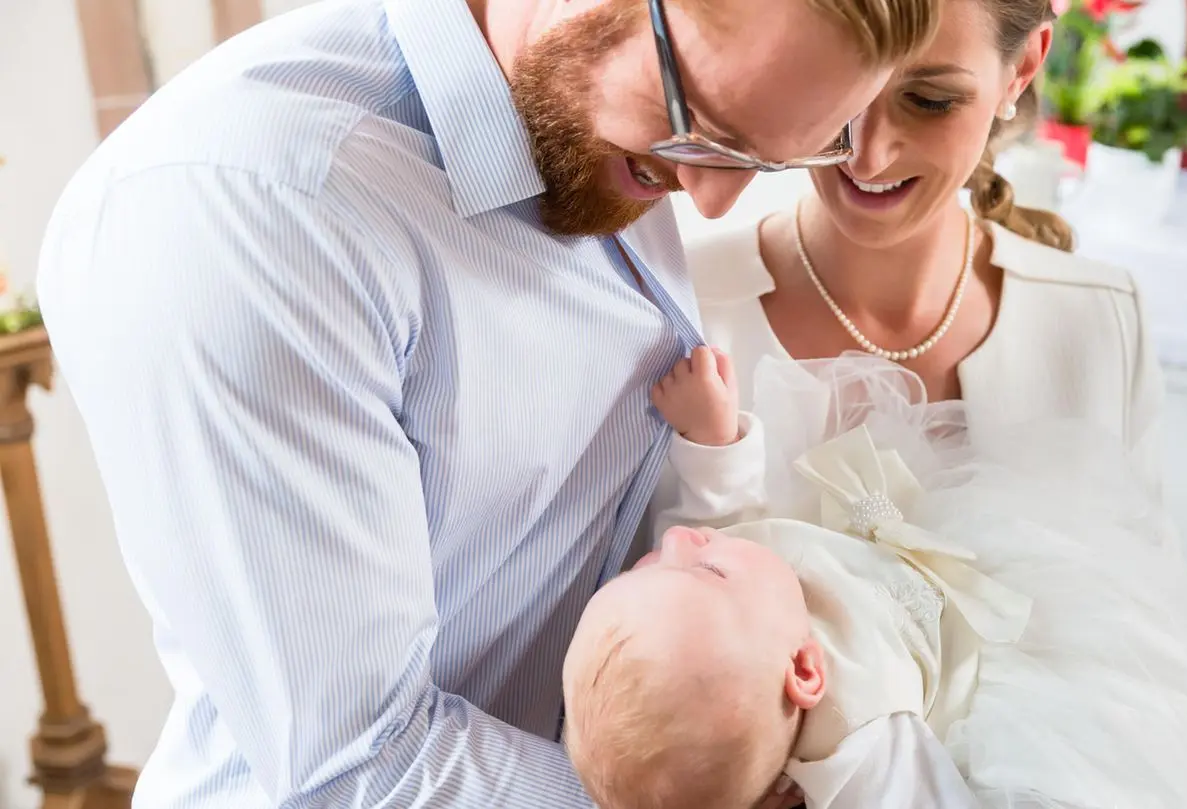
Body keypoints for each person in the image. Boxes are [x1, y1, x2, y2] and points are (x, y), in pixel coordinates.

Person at [34, 0, 945, 806]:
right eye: (697, 122)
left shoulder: (590, 121)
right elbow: (359, 772)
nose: (708, 199)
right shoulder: (257, 212)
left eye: (762, 157)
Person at [564, 348, 1187, 809]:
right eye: (703, 565)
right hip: (986, 660)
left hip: (934, 548)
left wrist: (714, 434)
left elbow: (718, 510)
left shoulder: (721, 611)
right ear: (805, 669)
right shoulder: (861, 739)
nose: (683, 540)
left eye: (649, 563)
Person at [658, 0, 1168, 513]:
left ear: (1022, 69)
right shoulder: (680, 310)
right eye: (839, 84)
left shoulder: (1102, 321)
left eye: (928, 101)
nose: (867, 156)